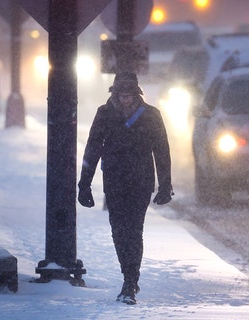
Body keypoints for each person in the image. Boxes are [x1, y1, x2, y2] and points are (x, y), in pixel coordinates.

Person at [77, 72, 173, 305]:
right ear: (115, 94)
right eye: (122, 95)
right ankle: (128, 276)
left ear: (137, 94)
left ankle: (130, 281)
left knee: (134, 230)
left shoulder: (151, 115)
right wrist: (84, 184)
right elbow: (92, 149)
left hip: (141, 182)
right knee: (119, 231)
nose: (125, 100)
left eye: (129, 95)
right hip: (115, 180)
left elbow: (161, 151)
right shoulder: (104, 114)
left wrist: (165, 185)